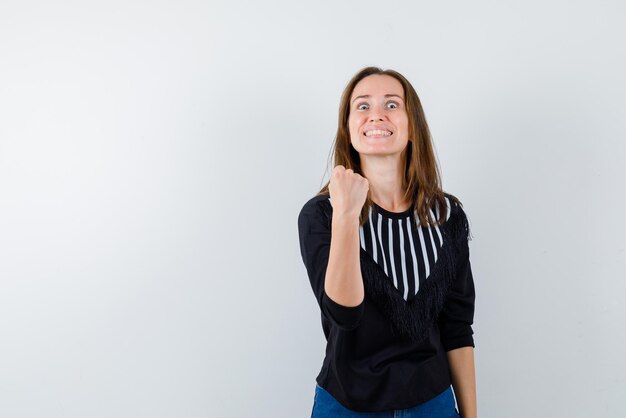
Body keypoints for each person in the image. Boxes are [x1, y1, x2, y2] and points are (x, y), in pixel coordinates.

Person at [297, 67, 477, 418]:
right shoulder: (321, 215)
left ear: (412, 127)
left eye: (392, 104)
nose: (376, 114)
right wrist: (347, 215)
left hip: (434, 405)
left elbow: (457, 328)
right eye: (362, 106)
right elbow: (344, 314)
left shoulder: (447, 215)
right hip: (347, 405)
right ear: (348, 129)